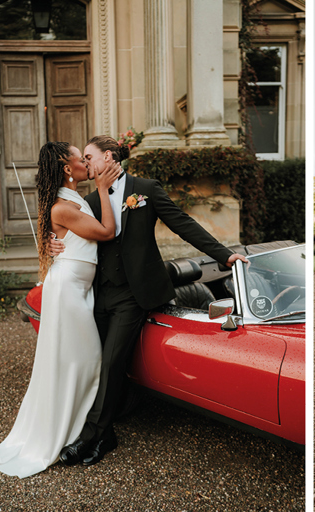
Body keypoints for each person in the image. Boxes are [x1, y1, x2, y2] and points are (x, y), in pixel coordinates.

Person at [56, 135, 248, 467]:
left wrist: (225, 254)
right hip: (101, 292)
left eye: (90, 157)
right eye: (83, 158)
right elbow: (73, 237)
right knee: (97, 362)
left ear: (110, 157)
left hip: (135, 293)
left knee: (112, 362)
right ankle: (107, 435)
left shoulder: (146, 188)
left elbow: (183, 224)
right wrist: (54, 245)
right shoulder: (87, 199)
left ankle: (89, 437)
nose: (86, 163)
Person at [0, 142, 120, 478]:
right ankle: (68, 429)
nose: (85, 163)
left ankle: (78, 426)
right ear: (67, 168)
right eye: (80, 158)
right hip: (67, 291)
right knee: (86, 359)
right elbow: (107, 231)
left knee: (78, 360)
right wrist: (105, 189)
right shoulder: (62, 206)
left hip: (80, 288)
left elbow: (76, 235)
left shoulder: (75, 199)